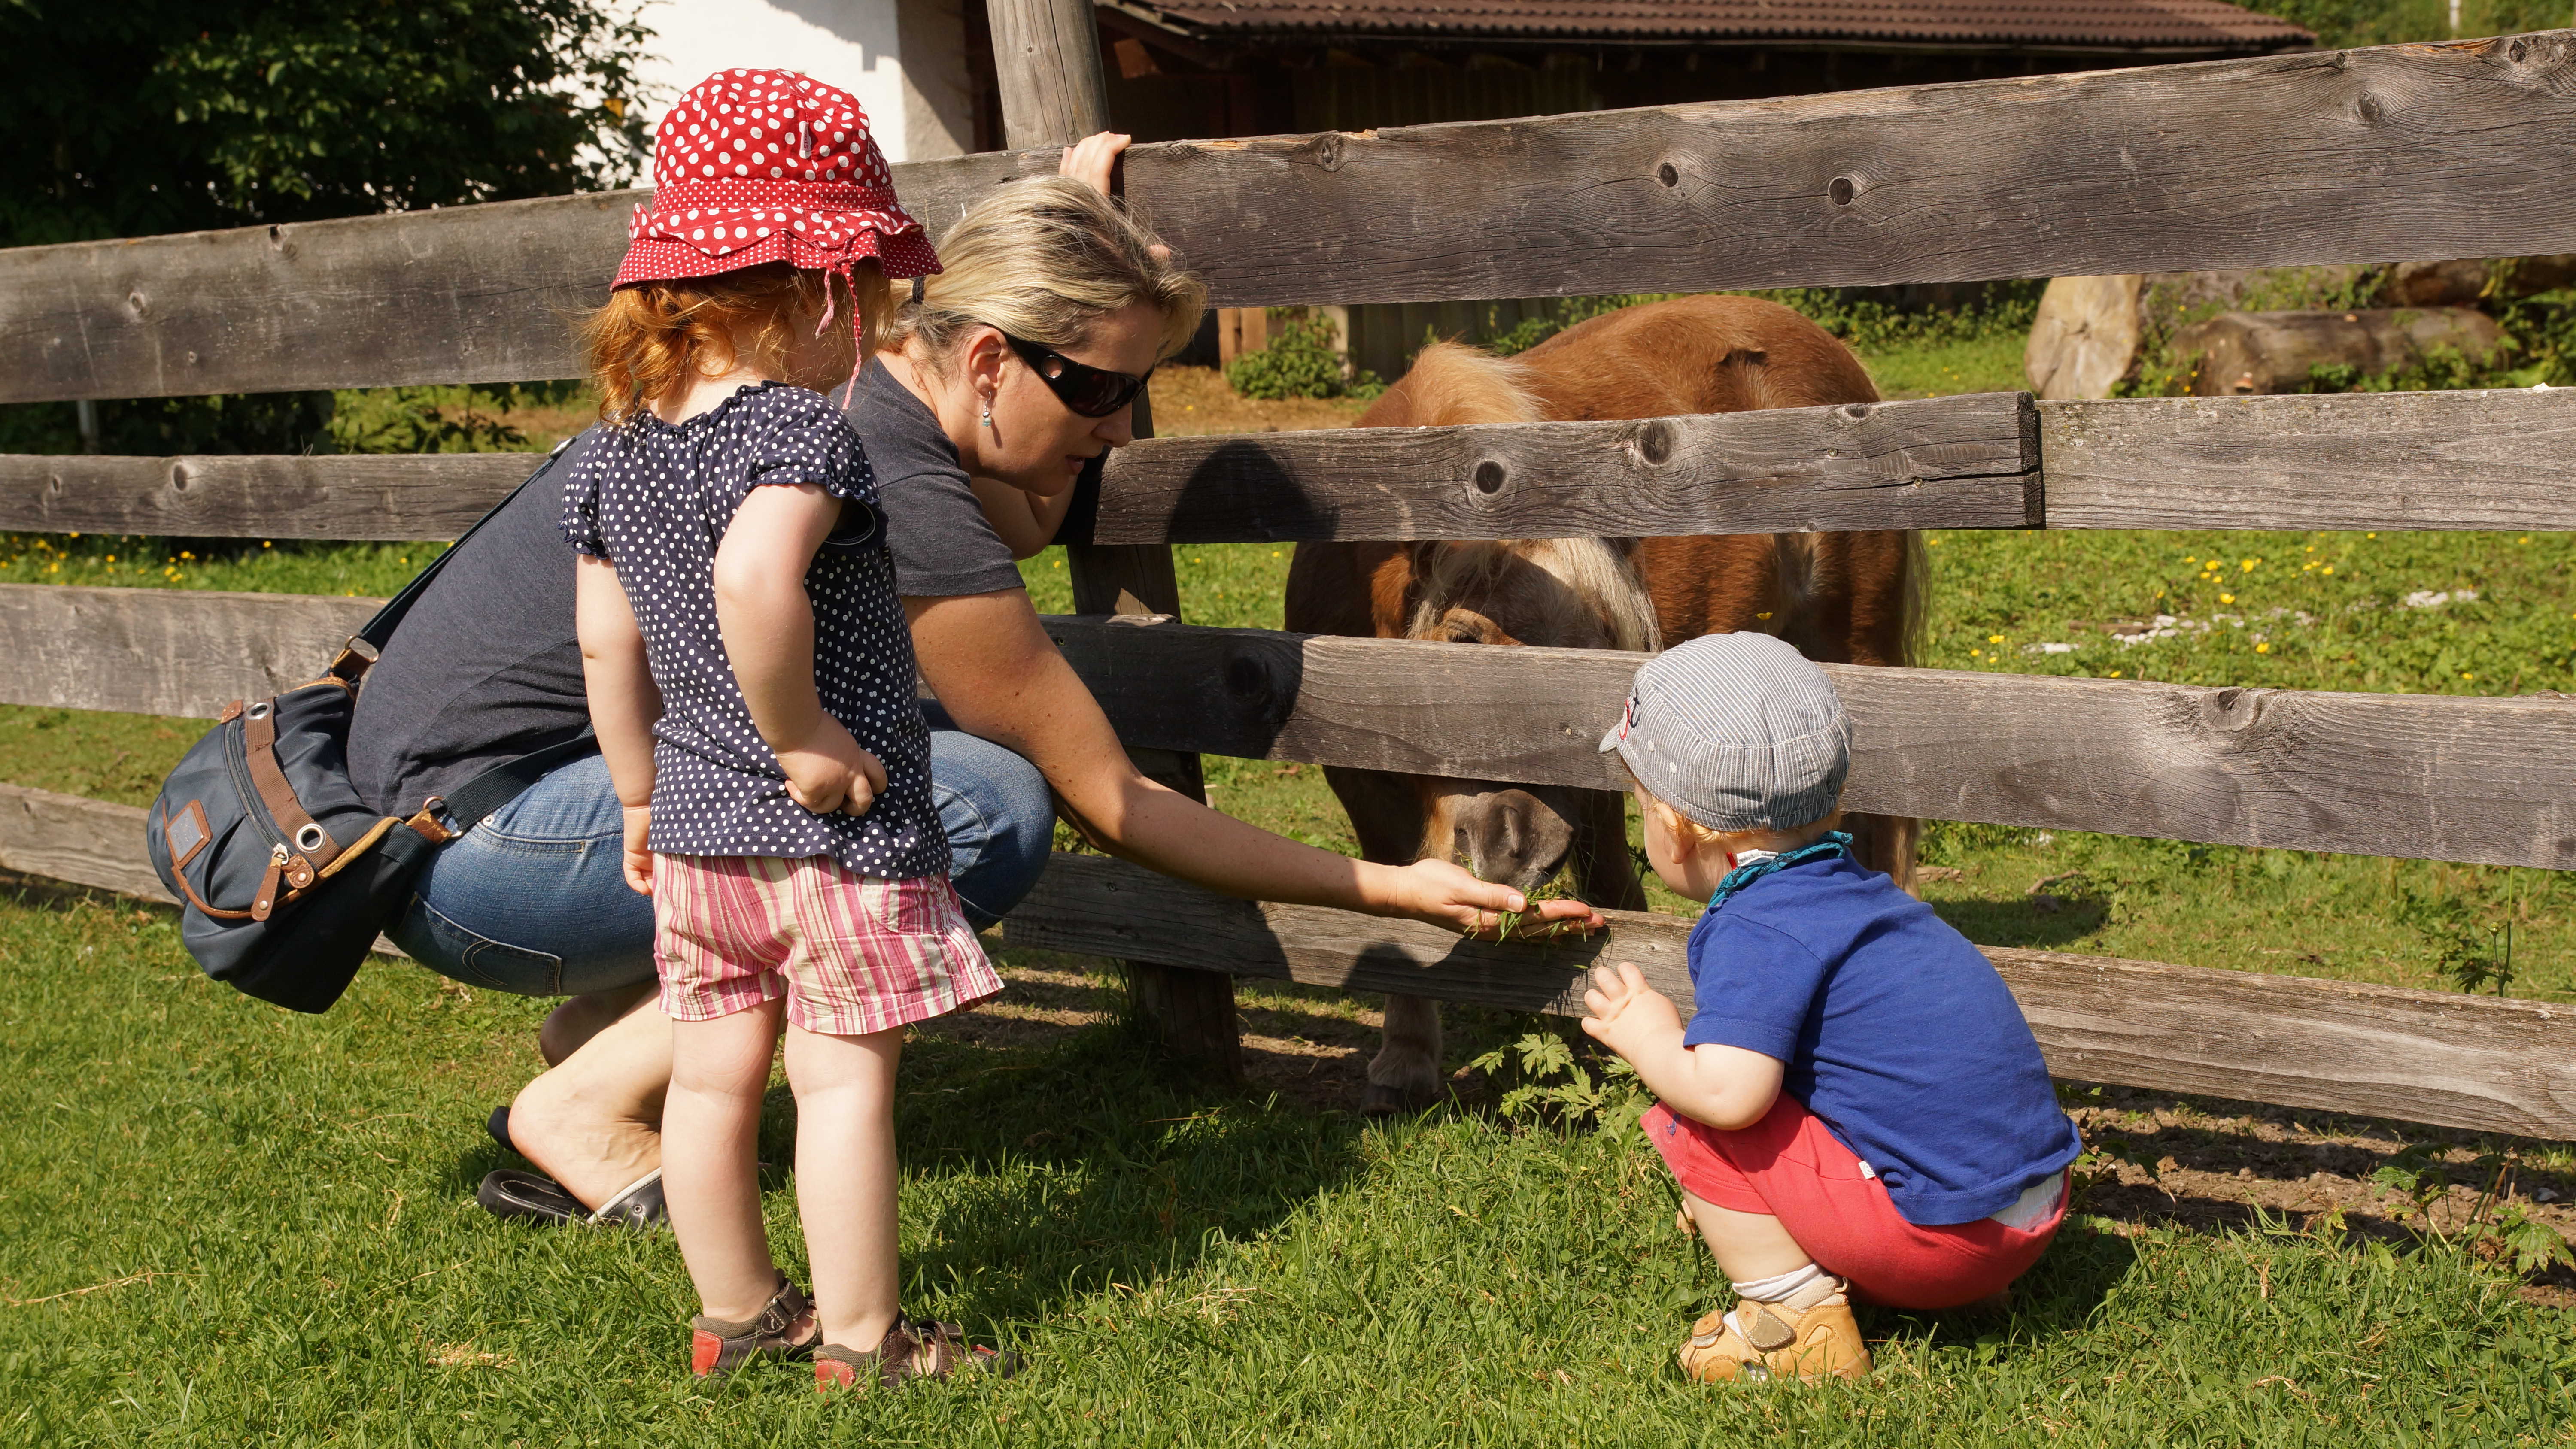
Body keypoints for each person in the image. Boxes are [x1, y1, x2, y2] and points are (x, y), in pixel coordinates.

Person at [342, 126, 1603, 1225]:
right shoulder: (869, 459)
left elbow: (1017, 503)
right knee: (978, 805)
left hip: (446, 817)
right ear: (989, 359)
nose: (1121, 425)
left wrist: (1079, 226)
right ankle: (581, 1105)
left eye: (1138, 388)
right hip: (477, 844)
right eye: (1100, 387)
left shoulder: (863, 380)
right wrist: (1387, 886)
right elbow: (1117, 798)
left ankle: (612, 1036)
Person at [558, 70, 1012, 1386]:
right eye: (869, 300)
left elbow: (605, 641)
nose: (868, 332)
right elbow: (755, 579)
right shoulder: (799, 434)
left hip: (699, 836)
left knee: (709, 1083)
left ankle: (742, 1316)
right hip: (834, 836)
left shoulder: (612, 451)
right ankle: (865, 1343)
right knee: (841, 1084)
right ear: (819, 292)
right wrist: (805, 736)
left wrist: (638, 796)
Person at [1575, 633, 2081, 1384]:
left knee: (1698, 1113)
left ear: (1676, 828)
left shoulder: (1758, 924)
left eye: (1640, 806)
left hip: (1948, 1245)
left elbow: (1730, 1096)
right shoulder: (1862, 894)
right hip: (2031, 1216)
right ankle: (1934, 1278)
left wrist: (1650, 1038)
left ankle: (1794, 1327)